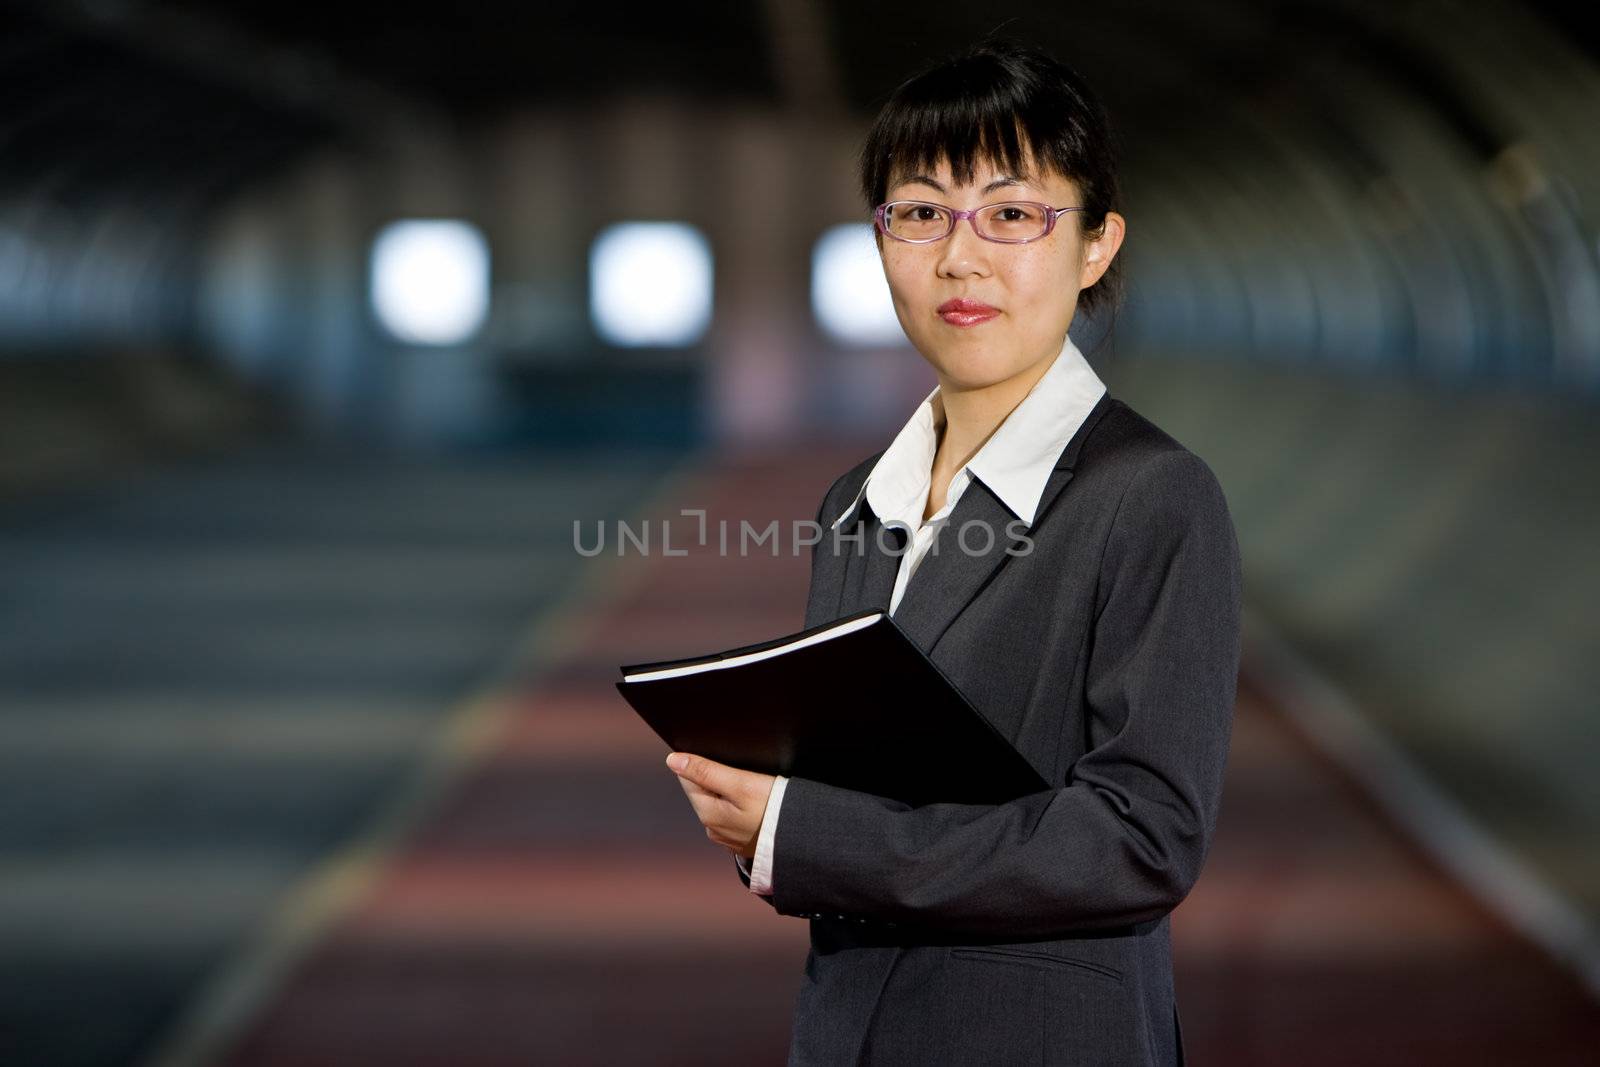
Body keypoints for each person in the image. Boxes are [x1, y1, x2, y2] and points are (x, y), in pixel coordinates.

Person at [665, 37, 1241, 1067]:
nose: (958, 258)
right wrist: (765, 807)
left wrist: (804, 834)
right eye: (920, 212)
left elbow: (1142, 837)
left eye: (1013, 215)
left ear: (1098, 244)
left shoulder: (1149, 495)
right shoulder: (858, 503)